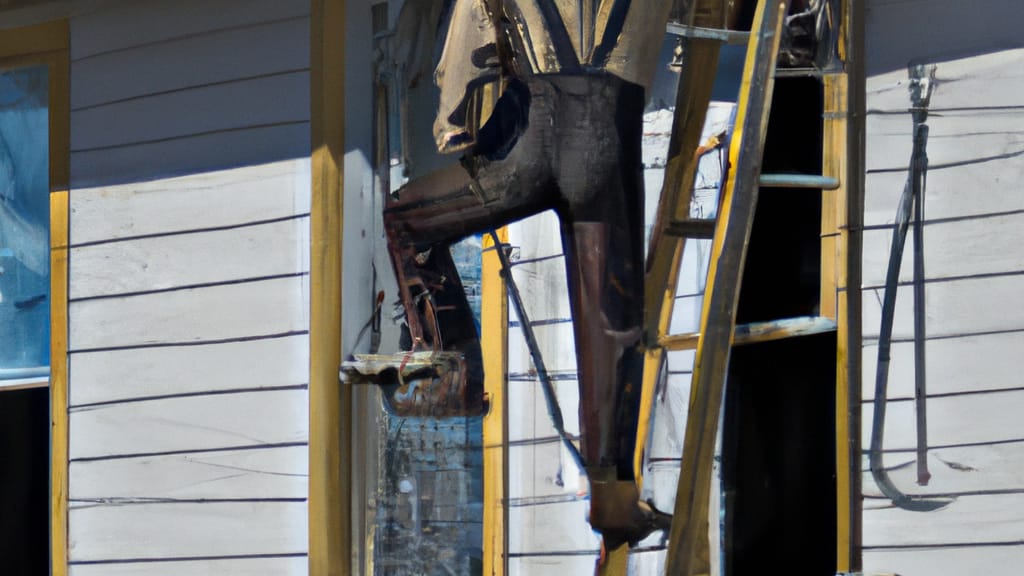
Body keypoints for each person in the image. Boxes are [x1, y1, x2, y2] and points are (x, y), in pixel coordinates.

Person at [383, 0, 674, 548]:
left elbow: (462, 58)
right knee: (611, 325)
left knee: (406, 219)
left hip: (526, 150)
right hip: (609, 145)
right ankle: (613, 504)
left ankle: (456, 371)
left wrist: (455, 129)